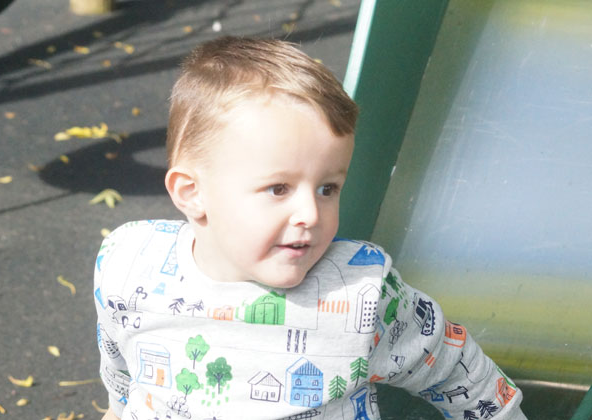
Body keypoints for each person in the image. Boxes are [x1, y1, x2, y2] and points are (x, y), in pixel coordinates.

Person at [93, 36, 526, 420]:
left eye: (327, 188)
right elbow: (121, 371)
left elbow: (457, 370)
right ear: (191, 193)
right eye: (278, 188)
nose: (311, 213)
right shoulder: (131, 265)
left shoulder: (361, 295)